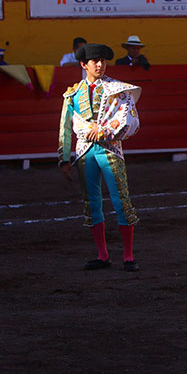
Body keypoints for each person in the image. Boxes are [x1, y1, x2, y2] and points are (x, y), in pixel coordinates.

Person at [58, 43, 142, 272]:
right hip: (85, 152)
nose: (100, 65)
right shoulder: (73, 94)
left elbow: (129, 119)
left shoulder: (117, 89)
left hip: (110, 149)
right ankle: (102, 255)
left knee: (121, 201)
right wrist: (64, 159)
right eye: (95, 61)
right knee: (92, 203)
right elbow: (66, 128)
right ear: (83, 65)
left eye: (103, 61)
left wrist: (104, 131)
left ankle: (128, 255)